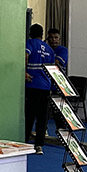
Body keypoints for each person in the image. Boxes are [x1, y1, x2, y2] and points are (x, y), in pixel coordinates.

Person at [25, 23, 55, 154]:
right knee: (42, 118)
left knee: (29, 116)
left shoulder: (30, 43)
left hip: (32, 85)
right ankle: (39, 146)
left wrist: (24, 72)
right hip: (45, 87)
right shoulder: (49, 50)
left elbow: (25, 56)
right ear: (42, 35)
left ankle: (25, 143)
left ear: (30, 33)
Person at [46, 28, 68, 136]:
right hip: (46, 85)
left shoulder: (63, 50)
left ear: (59, 39)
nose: (53, 40)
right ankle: (44, 130)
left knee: (58, 111)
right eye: (51, 38)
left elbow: (56, 63)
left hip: (58, 86)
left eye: (56, 38)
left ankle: (62, 132)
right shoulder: (45, 49)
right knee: (44, 110)